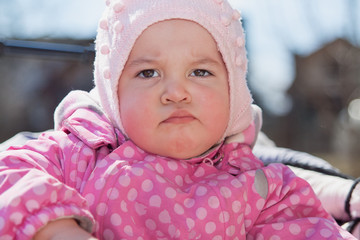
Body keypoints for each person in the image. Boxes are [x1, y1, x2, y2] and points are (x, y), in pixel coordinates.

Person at [0, 0, 356, 239]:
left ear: (234, 92)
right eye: (148, 73)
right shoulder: (78, 152)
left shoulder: (266, 188)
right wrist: (58, 228)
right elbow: (9, 172)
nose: (176, 92)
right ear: (113, 95)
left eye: (200, 71)